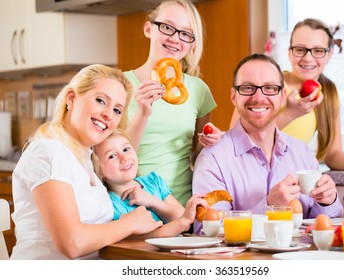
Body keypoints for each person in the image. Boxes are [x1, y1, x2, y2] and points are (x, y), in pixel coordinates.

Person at [10, 64, 163, 260]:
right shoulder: (48, 151)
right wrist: (130, 223)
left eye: (117, 110)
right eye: (101, 101)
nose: (108, 114)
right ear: (72, 98)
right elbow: (72, 243)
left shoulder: (86, 160)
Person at [230, 18, 344, 187]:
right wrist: (289, 114)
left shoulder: (327, 93)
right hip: (248, 179)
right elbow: (235, 140)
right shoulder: (266, 85)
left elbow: (333, 154)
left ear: (329, 55)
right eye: (300, 50)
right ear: (289, 52)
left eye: (318, 51)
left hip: (289, 184)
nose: (308, 58)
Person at [193, 53, 344, 233]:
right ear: (234, 96)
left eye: (270, 88)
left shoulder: (302, 153)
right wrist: (268, 206)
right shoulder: (213, 159)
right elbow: (209, 233)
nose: (258, 97)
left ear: (282, 96)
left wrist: (328, 201)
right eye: (248, 88)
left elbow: (324, 228)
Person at [123, 0, 221, 207]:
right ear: (149, 28)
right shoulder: (118, 85)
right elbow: (110, 157)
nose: (175, 38)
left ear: (193, 43)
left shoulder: (198, 90)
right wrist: (142, 113)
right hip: (130, 204)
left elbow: (196, 159)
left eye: (185, 33)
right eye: (167, 27)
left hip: (181, 206)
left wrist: (209, 145)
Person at [92, 128, 207, 238]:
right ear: (98, 170)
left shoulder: (153, 181)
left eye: (126, 149)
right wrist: (182, 222)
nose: (124, 158)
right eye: (112, 156)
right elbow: (141, 239)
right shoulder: (108, 204)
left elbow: (181, 215)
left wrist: (152, 201)